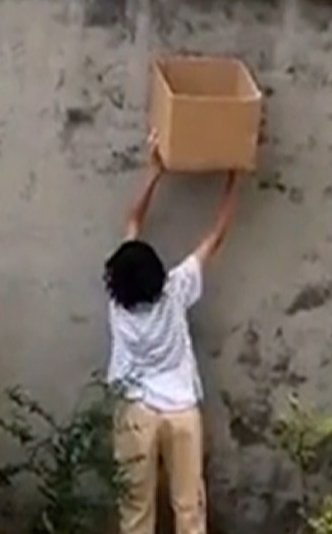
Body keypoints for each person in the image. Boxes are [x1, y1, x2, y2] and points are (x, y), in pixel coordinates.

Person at [105, 128, 240, 534]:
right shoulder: (175, 290)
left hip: (135, 413)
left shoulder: (116, 301)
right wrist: (235, 180)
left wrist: (154, 170)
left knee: (136, 511)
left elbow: (131, 220)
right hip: (181, 412)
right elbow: (215, 237)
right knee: (189, 509)